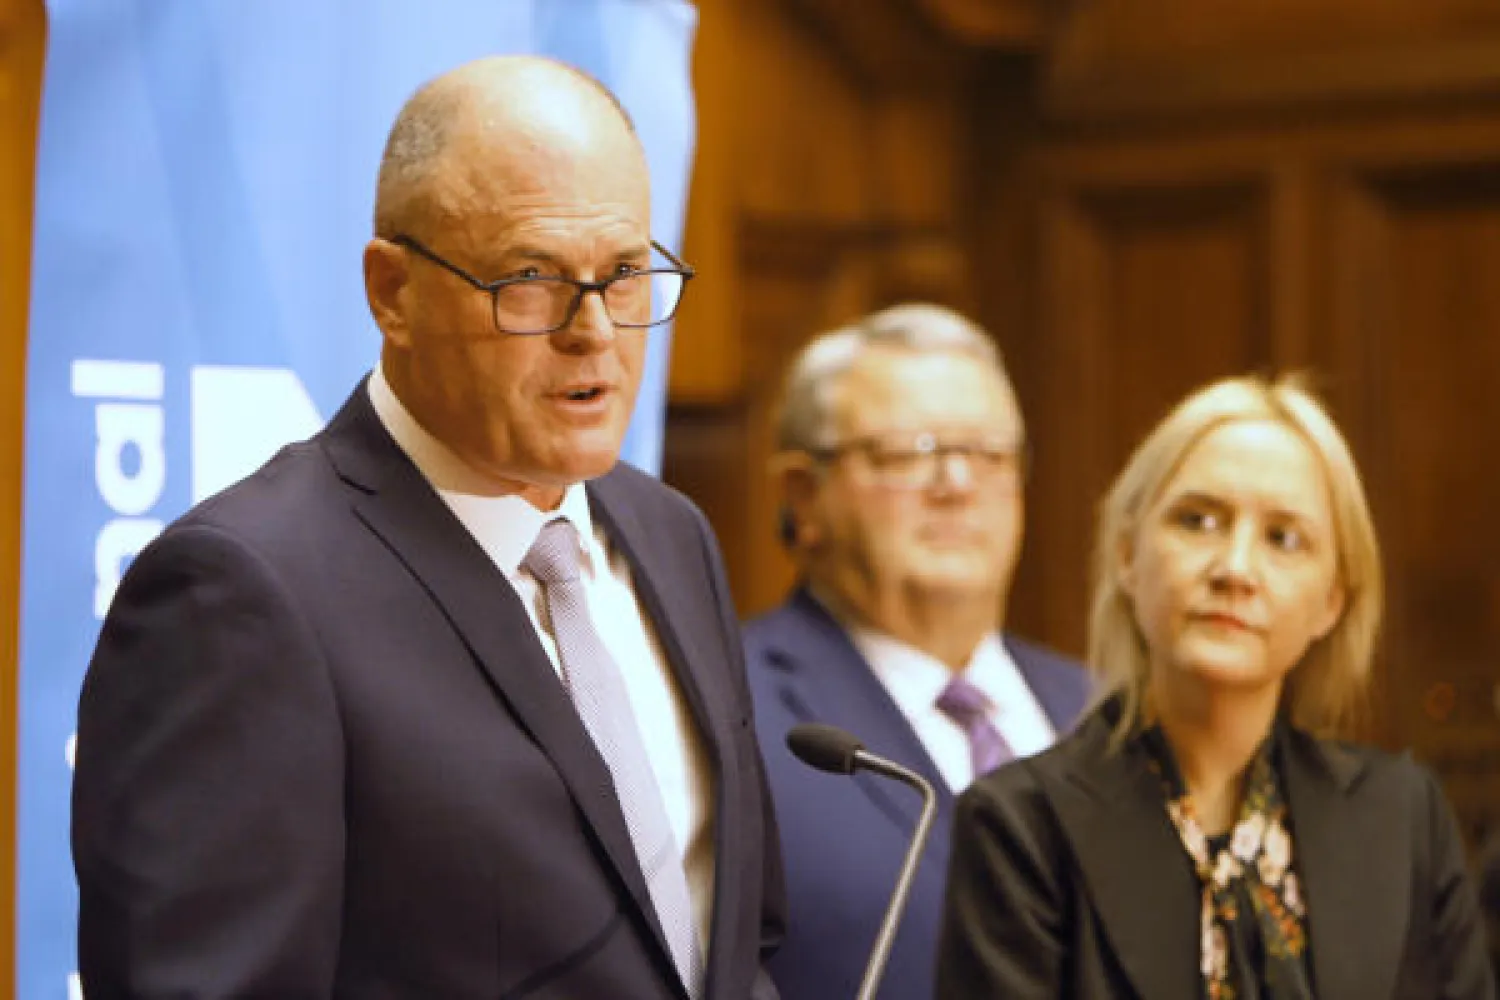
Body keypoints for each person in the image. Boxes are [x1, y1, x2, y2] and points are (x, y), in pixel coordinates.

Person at [71, 56, 784, 1000]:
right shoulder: (242, 593)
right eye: (532, 278)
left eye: (624, 274)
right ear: (392, 293)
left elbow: (736, 945)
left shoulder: (670, 535)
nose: (596, 333)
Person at [937, 374, 1497, 999]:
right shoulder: (1021, 828)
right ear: (1128, 556)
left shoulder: (1402, 818)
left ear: (1331, 602)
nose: (1235, 569)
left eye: (1284, 539)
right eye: (1198, 521)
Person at [744, 304, 1089, 1000]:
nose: (957, 485)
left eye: (989, 453)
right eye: (907, 453)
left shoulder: (1101, 709)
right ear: (803, 498)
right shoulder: (730, 707)